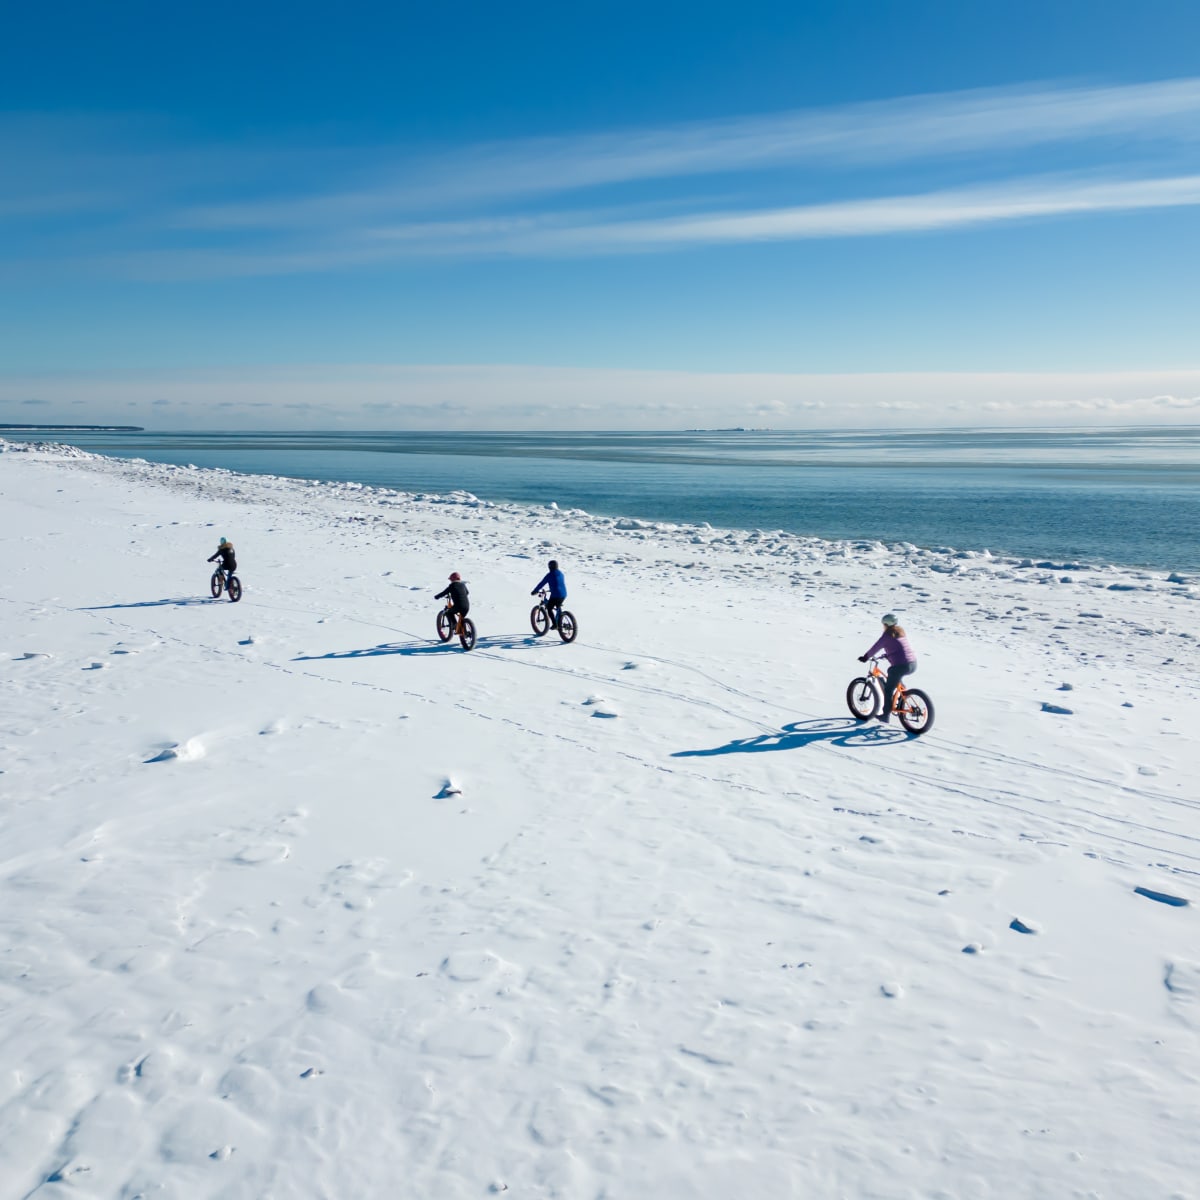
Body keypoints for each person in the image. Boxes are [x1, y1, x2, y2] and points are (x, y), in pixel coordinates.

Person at [859, 613, 917, 724]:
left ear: (885, 624)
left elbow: (875, 647)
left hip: (901, 666)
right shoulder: (900, 632)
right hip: (913, 663)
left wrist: (865, 657)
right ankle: (902, 696)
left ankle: (885, 715)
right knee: (895, 677)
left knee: (888, 689)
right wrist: (887, 655)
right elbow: (899, 648)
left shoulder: (887, 636)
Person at [531, 559, 567, 628]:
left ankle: (555, 625)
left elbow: (541, 584)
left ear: (549, 567)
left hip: (555, 595)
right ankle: (560, 617)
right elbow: (558, 583)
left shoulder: (549, 575)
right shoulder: (561, 573)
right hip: (564, 594)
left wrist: (535, 591)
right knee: (557, 605)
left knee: (549, 608)